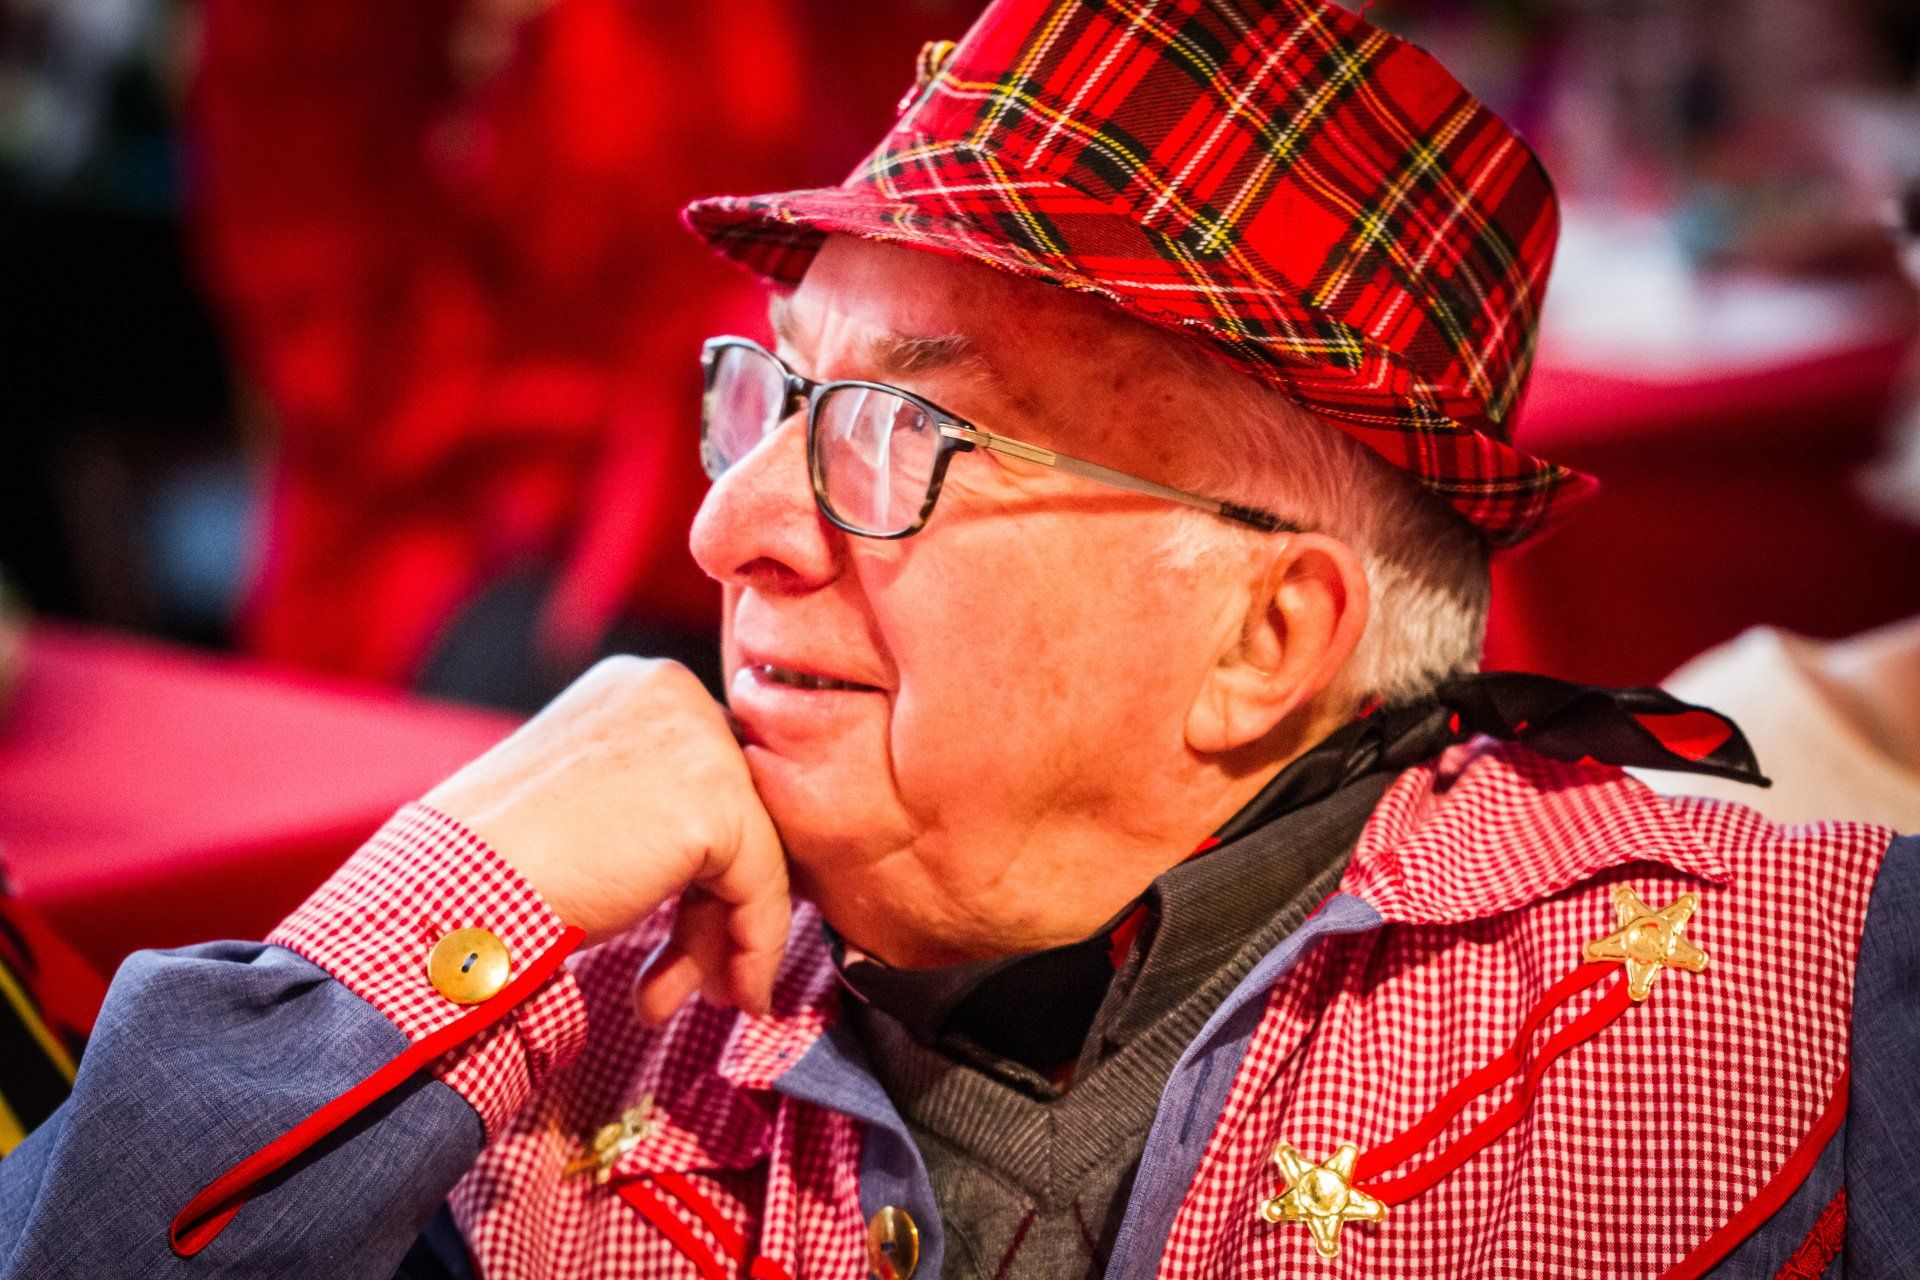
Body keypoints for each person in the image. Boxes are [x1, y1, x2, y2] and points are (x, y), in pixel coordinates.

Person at [2, 0, 1914, 1276]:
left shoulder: (1789, 1017)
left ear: (1268, 632)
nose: (726, 529)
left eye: (901, 435)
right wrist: (426, 917)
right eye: (768, 400)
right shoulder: (558, 1015)